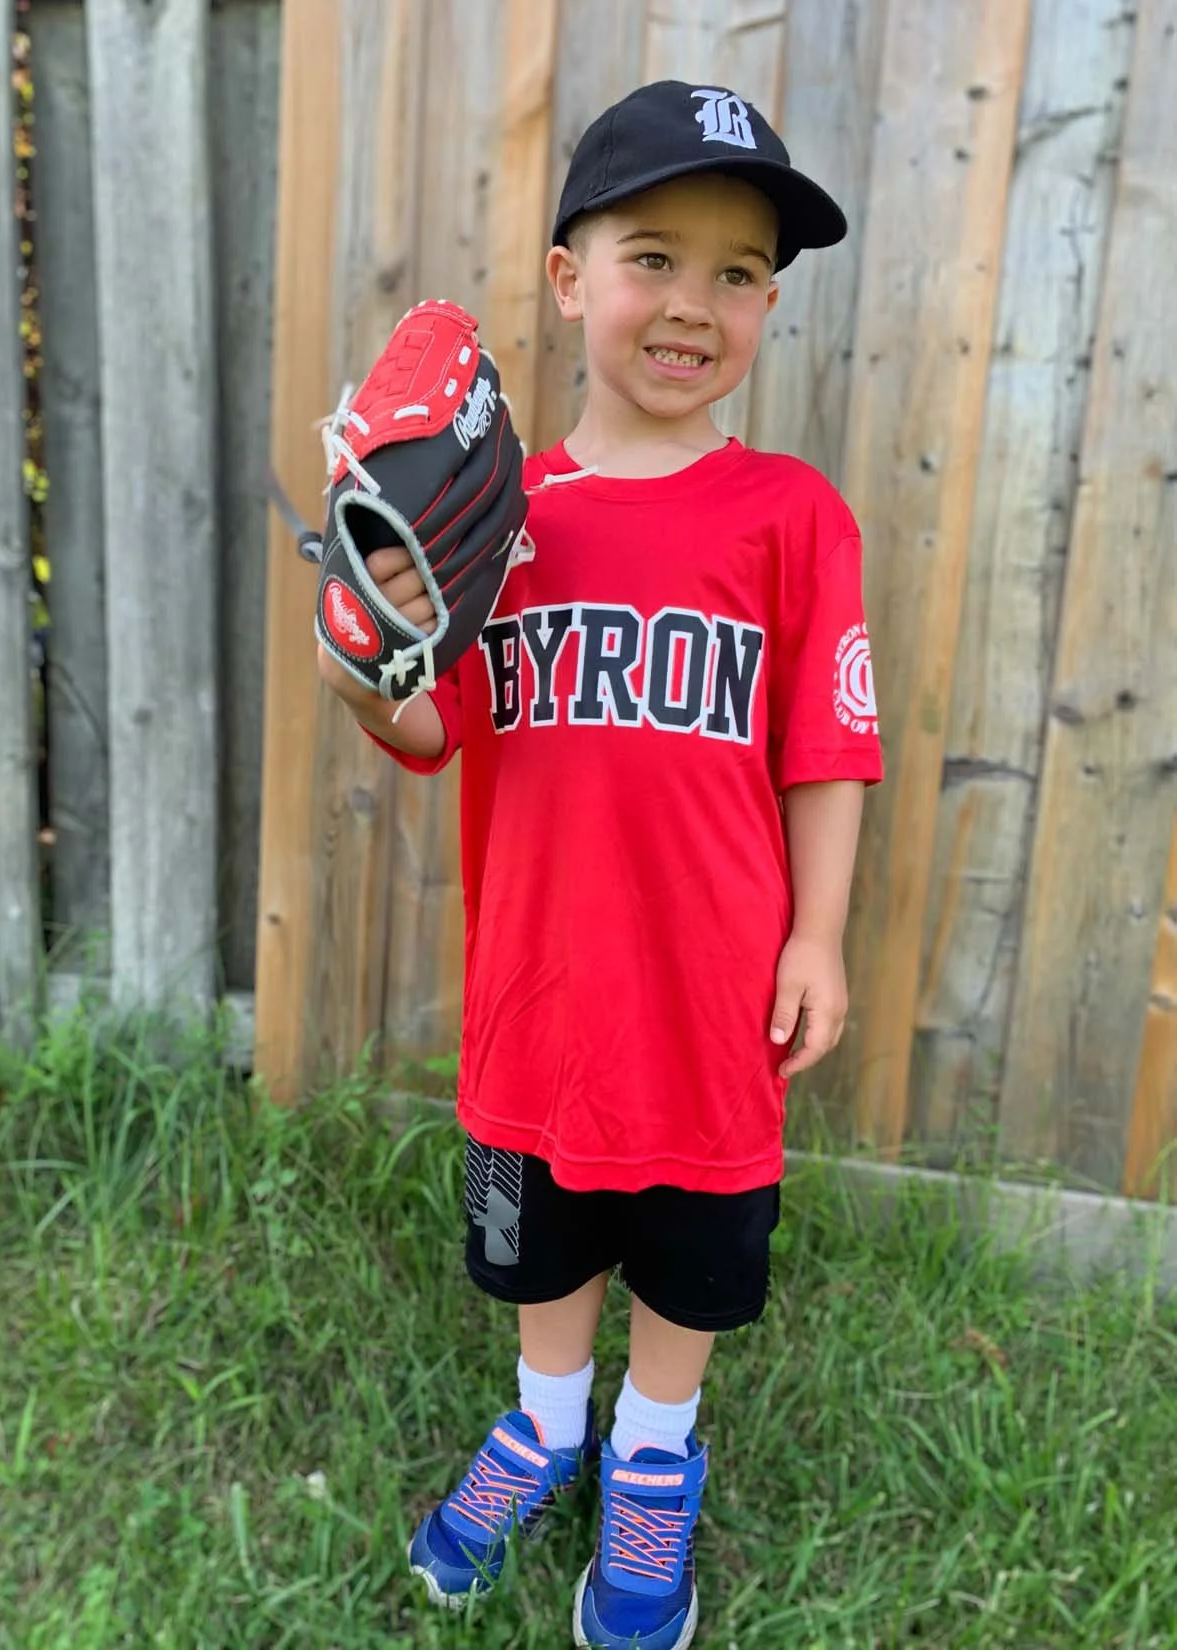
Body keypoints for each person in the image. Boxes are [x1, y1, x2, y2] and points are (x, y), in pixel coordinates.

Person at [319, 79, 884, 1650]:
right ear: (569, 277)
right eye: (653, 255)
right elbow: (431, 733)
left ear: (768, 301)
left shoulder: (792, 518)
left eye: (737, 271)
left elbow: (824, 749)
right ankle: (543, 1420)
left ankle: (650, 1454)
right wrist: (366, 663)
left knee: (695, 1254)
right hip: (540, 978)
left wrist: (817, 936)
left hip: (715, 987)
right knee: (546, 1234)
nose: (692, 302)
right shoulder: (497, 520)